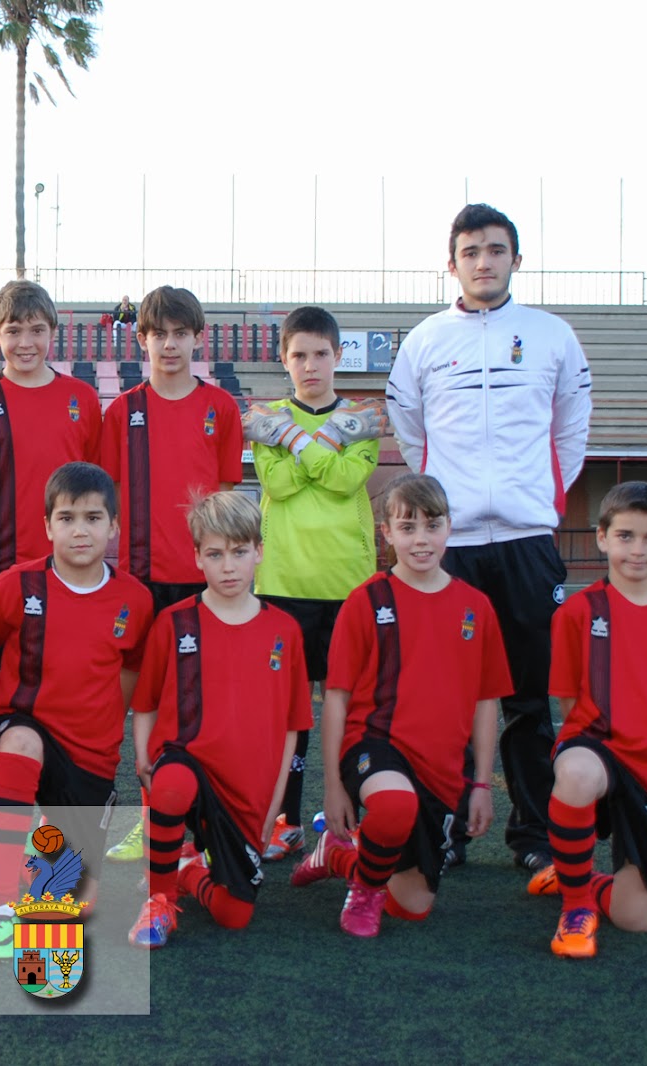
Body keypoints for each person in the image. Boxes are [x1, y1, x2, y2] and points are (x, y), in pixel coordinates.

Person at [385, 203, 593, 880]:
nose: (484, 262)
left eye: (496, 250)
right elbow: (413, 435)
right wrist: (448, 508)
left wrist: (540, 500)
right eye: (471, 251)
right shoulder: (423, 342)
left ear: (516, 259)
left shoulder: (552, 335)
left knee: (529, 699)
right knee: (443, 696)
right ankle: (445, 828)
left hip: (528, 542)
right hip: (454, 548)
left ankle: (532, 832)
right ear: (452, 264)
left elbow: (571, 429)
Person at [290, 474, 512, 938]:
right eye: (407, 527)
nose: (421, 539)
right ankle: (364, 891)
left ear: (450, 527)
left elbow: (486, 701)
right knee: (394, 805)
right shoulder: (366, 601)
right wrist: (334, 786)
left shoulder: (476, 607)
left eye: (432, 525)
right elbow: (337, 698)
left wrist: (481, 784)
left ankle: (339, 856)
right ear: (387, 533)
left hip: (442, 768)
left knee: (410, 907)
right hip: (375, 746)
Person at [0, 461, 153, 959]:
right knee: (21, 743)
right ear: (48, 526)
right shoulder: (16, 586)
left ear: (113, 527)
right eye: (67, 518)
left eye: (93, 518)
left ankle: (31, 849)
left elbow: (130, 679)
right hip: (22, 726)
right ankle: (0, 907)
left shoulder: (135, 601)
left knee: (76, 902)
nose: (80, 530)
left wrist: (109, 739)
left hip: (88, 753)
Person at [0, 280, 101, 866]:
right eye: (14, 330)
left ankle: (49, 817)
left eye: (37, 329)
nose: (26, 341)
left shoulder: (81, 399)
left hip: (69, 571)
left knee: (60, 686)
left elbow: (95, 488)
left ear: (53, 333)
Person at [539, 482, 647, 958]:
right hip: (598, 747)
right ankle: (576, 906)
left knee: (633, 920)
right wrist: (584, 750)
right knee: (576, 772)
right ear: (602, 538)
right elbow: (568, 701)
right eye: (625, 536)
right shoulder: (578, 611)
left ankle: (574, 874)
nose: (638, 550)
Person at [127, 491, 312, 947]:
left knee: (234, 914)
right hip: (187, 761)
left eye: (239, 552)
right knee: (172, 785)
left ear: (259, 552)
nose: (228, 566)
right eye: (215, 554)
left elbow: (293, 726)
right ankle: (159, 901)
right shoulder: (174, 623)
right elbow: (145, 702)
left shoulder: (284, 630)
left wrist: (275, 805)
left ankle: (188, 871)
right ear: (197, 557)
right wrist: (143, 760)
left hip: (245, 790)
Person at [98, 286, 243, 866]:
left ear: (198, 338)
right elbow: (108, 497)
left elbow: (226, 497)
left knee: (202, 702)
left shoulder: (221, 408)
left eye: (181, 333)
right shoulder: (121, 412)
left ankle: (205, 820)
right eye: (159, 334)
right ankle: (152, 817)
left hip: (204, 582)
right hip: (139, 581)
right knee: (146, 699)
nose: (170, 344)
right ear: (142, 340)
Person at [243, 306, 384, 862]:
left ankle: (350, 818)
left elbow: (348, 479)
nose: (310, 365)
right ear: (284, 359)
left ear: (338, 356)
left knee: (352, 709)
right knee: (289, 714)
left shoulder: (361, 417)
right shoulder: (267, 418)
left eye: (321, 354)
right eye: (299, 355)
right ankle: (287, 822)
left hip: (349, 584)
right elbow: (277, 485)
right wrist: (325, 443)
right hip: (283, 581)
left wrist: (298, 441)